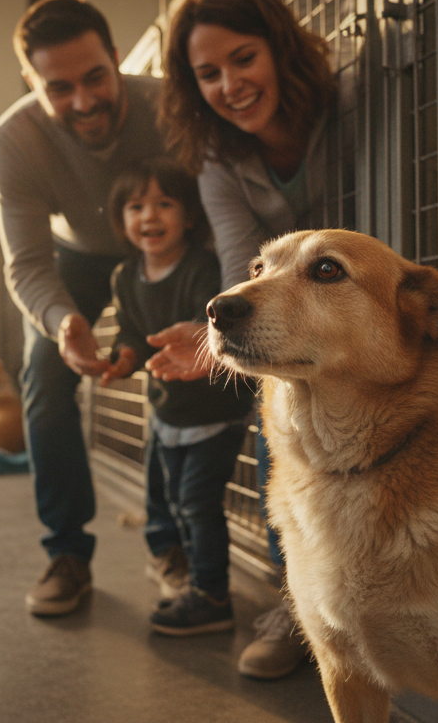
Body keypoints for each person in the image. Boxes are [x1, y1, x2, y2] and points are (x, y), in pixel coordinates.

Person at [151, 0, 340, 678]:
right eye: (207, 73)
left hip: (364, 303)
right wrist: (213, 341)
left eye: (242, 58)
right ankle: (297, 607)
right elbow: (240, 267)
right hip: (299, 316)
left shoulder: (348, 102)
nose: (229, 84)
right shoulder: (218, 158)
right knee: (274, 400)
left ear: (279, 48)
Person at [0, 0, 180, 617]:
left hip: (167, 249)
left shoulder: (170, 106)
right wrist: (63, 322)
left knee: (174, 381)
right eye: (59, 87)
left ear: (118, 60)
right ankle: (67, 554)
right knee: (43, 377)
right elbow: (27, 263)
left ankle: (169, 545)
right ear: (31, 83)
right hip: (75, 259)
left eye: (96, 77)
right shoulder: (14, 139)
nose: (84, 101)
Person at [99, 158, 255, 635]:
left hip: (212, 413)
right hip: (166, 412)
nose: (149, 216)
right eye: (136, 206)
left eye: (164, 204)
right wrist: (123, 357)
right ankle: (171, 561)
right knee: (164, 496)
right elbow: (131, 329)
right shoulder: (125, 275)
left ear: (189, 216)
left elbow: (206, 331)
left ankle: (211, 595)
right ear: (121, 219)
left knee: (195, 502)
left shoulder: (202, 268)